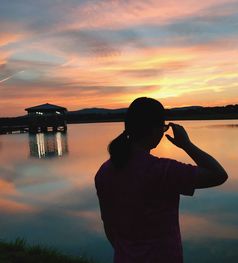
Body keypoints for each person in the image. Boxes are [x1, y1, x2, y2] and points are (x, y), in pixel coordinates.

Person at [95, 97, 228, 263]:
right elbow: (218, 175)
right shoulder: (163, 171)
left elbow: (109, 226)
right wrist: (186, 144)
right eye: (163, 126)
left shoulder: (104, 172)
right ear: (154, 129)